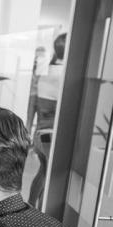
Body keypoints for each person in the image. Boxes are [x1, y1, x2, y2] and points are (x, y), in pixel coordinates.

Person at [28, 33, 66, 209]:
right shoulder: (63, 76)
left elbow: (33, 105)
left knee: (43, 173)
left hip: (41, 133)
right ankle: (43, 215)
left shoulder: (46, 72)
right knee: (51, 179)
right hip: (52, 135)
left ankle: (29, 207)